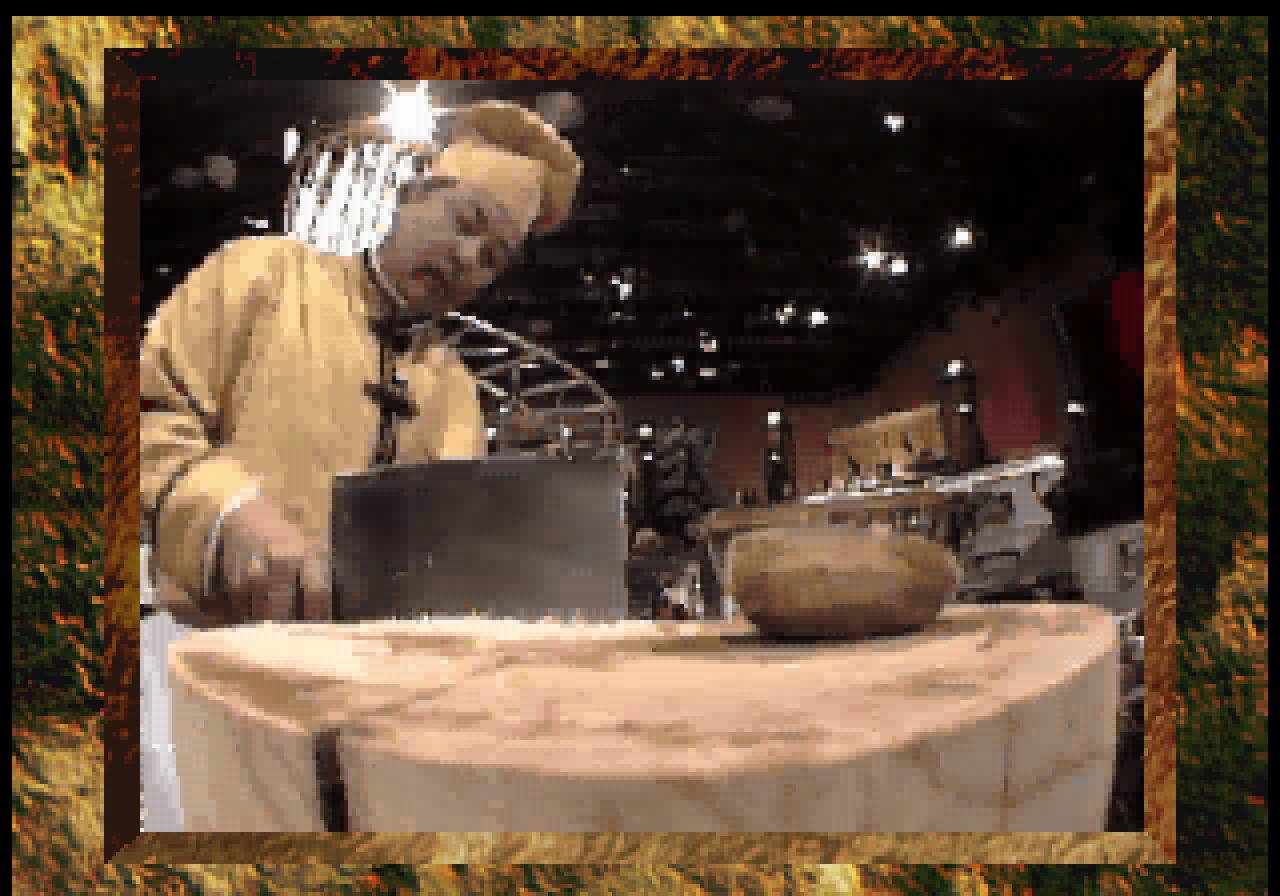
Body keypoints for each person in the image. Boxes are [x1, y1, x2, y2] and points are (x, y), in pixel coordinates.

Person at [141, 100, 583, 628]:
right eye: (466, 223)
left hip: (370, 665)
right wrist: (227, 513)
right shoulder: (261, 275)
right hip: (203, 640)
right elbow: (144, 415)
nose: (468, 257)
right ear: (411, 194)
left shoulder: (456, 393)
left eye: (491, 258)